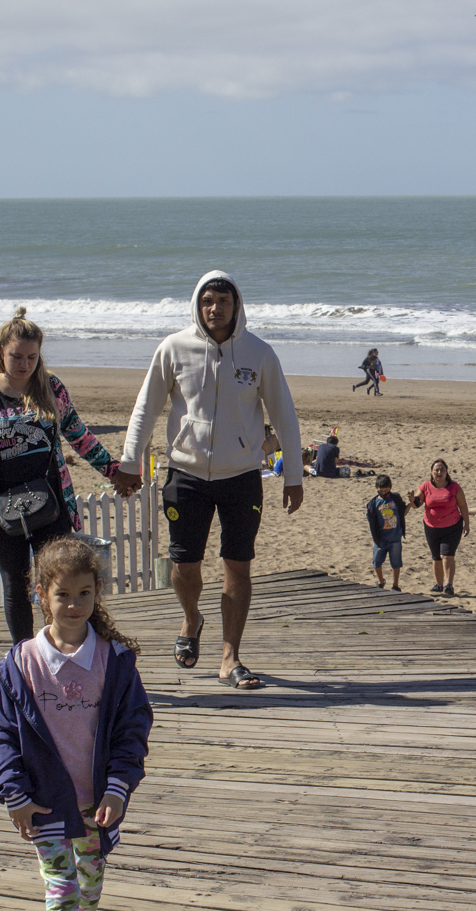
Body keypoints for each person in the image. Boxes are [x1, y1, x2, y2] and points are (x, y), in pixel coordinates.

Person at [114, 271, 303, 688]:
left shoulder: (260, 354)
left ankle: (230, 656)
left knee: (238, 566)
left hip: (242, 476)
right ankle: (192, 617)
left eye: (223, 300)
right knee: (184, 567)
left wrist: (293, 475)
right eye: (207, 301)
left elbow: (284, 415)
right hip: (186, 472)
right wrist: (130, 460)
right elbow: (145, 408)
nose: (214, 308)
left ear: (237, 306)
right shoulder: (174, 348)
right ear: (197, 306)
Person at [0, 537, 153, 911]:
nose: (74, 604)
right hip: (45, 804)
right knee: (62, 888)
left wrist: (118, 789)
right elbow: (3, 736)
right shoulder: (22, 664)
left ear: (97, 592)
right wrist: (13, 796)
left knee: (89, 890)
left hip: (96, 803)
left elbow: (132, 729)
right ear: (41, 595)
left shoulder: (114, 662)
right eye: (62, 594)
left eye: (84, 593)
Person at [0, 308, 128, 646]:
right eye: (16, 356)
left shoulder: (51, 387)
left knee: (61, 581)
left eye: (32, 357)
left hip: (51, 502)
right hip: (0, 507)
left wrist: (113, 471)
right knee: (15, 585)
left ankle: (60, 648)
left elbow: (79, 436)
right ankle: (23, 656)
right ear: (2, 352)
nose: (24, 364)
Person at [406, 458, 469, 596]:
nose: (439, 472)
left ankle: (449, 584)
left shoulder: (454, 487)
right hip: (431, 526)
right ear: (431, 472)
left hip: (452, 526)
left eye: (442, 470)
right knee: (436, 557)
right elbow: (417, 504)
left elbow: (463, 505)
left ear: (446, 472)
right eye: (436, 470)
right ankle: (439, 584)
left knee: (447, 555)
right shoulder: (425, 486)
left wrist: (467, 523)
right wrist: (412, 500)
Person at [365, 474, 406, 591]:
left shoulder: (395, 498)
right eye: (381, 490)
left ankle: (395, 585)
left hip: (395, 537)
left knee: (396, 563)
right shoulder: (373, 503)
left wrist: (412, 503)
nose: (383, 492)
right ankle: (381, 581)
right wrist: (376, 538)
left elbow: (403, 512)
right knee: (376, 561)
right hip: (381, 538)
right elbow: (371, 521)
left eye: (386, 490)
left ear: (391, 487)